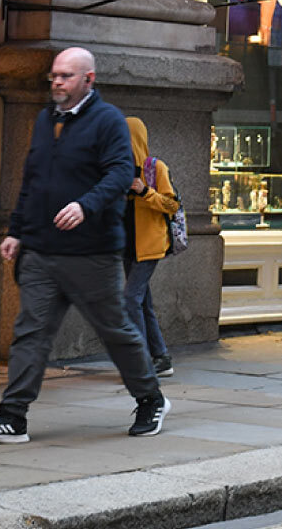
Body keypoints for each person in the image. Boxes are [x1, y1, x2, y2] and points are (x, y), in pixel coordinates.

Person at [0, 47, 168, 444]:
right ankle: (12, 417)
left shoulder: (108, 121)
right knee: (30, 333)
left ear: (88, 80)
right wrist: (16, 230)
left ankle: (150, 398)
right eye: (54, 75)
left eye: (66, 76)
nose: (56, 82)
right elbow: (32, 180)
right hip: (42, 251)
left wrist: (85, 205)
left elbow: (119, 174)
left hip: (91, 252)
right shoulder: (46, 120)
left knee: (115, 330)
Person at [123, 115, 180, 378]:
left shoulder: (155, 169)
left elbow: (172, 205)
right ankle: (162, 358)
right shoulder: (119, 169)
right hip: (128, 245)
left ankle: (141, 360)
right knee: (143, 303)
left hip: (150, 245)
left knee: (130, 300)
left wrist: (145, 191)